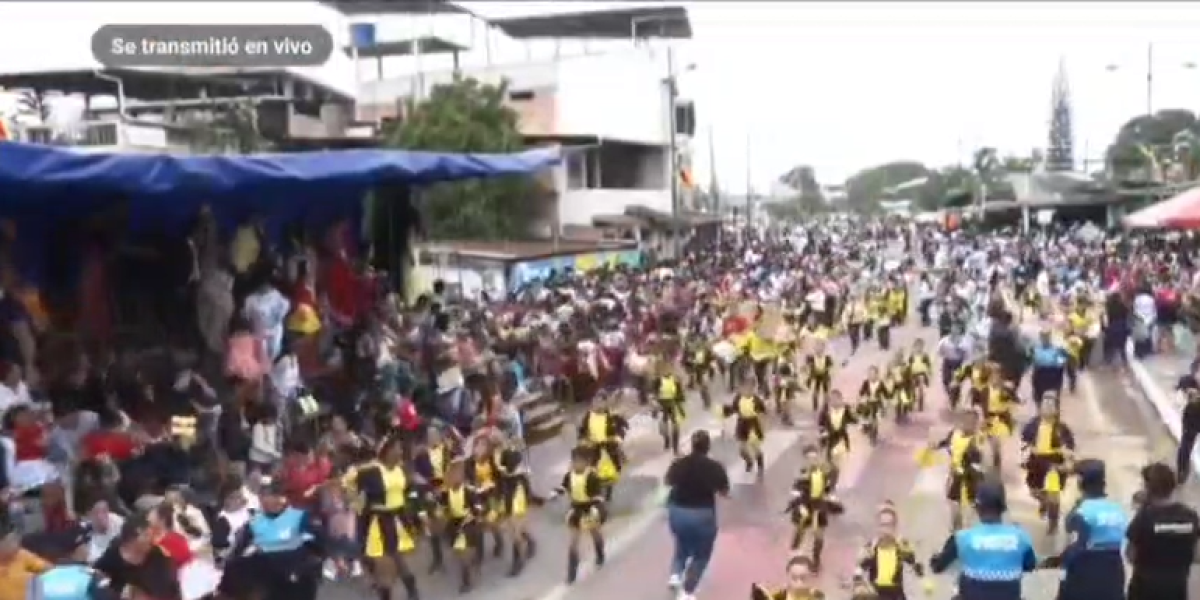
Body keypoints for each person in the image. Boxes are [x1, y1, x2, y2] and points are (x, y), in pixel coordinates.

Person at [929, 478, 1036, 600]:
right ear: (1003, 508)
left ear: (978, 508)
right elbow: (1030, 565)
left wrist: (935, 559)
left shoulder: (962, 538)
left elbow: (937, 567)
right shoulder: (1020, 537)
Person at [220, 479, 327, 600]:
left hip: (288, 576)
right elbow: (238, 551)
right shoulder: (254, 522)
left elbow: (316, 549)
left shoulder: (300, 519)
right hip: (275, 576)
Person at [1039, 459, 1127, 600]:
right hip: (1114, 575)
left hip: (1085, 576)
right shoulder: (1117, 510)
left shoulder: (1080, 513)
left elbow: (1075, 550)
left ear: (1080, 482)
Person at [664, 430, 729, 600]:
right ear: (708, 446)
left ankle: (675, 574)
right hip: (702, 514)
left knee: (682, 542)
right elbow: (724, 491)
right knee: (702, 554)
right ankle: (687, 590)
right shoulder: (715, 466)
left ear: (692, 445)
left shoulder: (679, 463)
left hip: (677, 511)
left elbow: (668, 481)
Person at [1125, 462, 1199, 600]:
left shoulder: (1144, 518)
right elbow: (1196, 555)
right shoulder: (1190, 516)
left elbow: (1130, 555)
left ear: (1148, 488)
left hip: (1144, 590)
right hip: (1176, 589)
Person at [27, 523, 115, 600]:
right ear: (74, 551)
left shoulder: (35, 584)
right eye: (85, 545)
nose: (88, 548)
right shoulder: (90, 575)